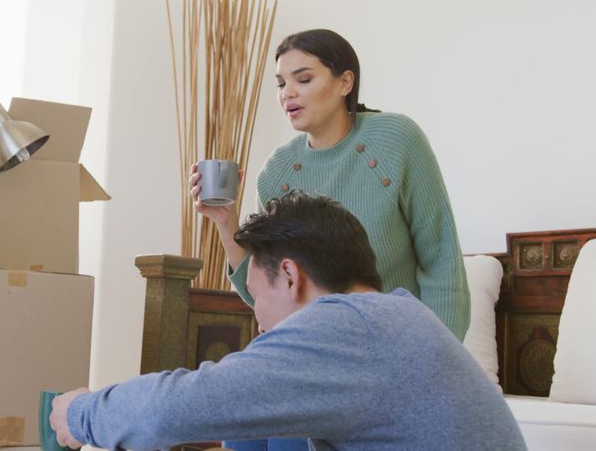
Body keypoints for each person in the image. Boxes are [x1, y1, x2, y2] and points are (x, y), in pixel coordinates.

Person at [49, 192, 526, 450]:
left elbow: (172, 408)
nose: (256, 318)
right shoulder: (393, 317)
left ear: (291, 276)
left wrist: (81, 412)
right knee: (260, 422)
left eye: (255, 296)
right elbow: (236, 408)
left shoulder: (348, 329)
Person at [191, 30, 471, 450]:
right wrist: (224, 220)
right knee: (242, 425)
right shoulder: (278, 172)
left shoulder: (396, 140)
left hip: (388, 350)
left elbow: (441, 258)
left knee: (292, 433)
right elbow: (272, 295)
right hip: (311, 352)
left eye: (303, 79)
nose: (288, 94)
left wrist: (432, 364)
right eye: (282, 84)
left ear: (345, 82)